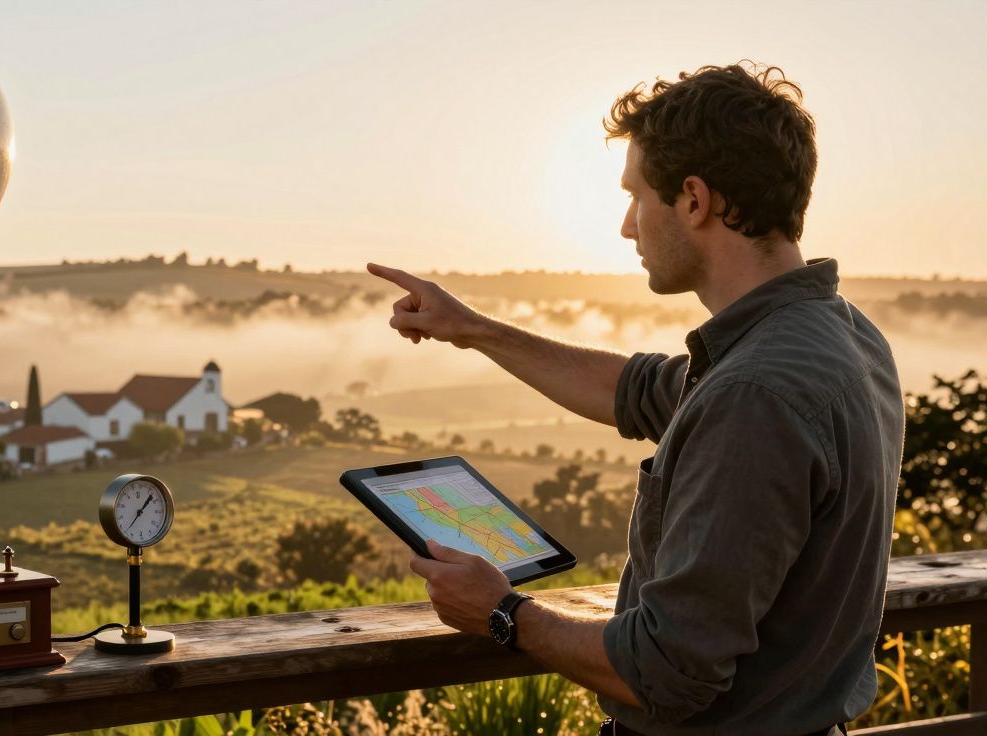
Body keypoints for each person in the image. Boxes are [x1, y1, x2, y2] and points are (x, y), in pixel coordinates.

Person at [367, 62, 904, 736]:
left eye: (636, 196)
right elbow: (637, 390)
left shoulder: (755, 393)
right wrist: (472, 328)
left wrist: (502, 612)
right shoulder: (842, 337)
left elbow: (666, 670)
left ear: (694, 200)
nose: (626, 226)